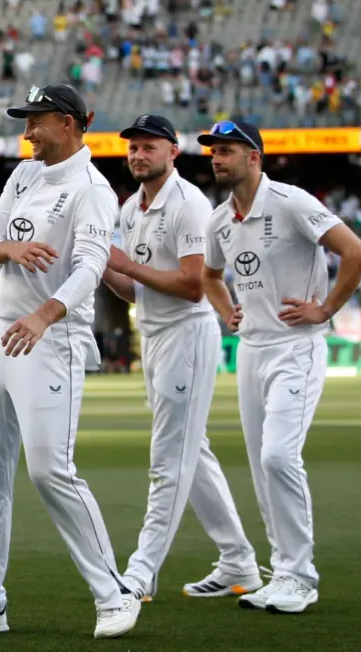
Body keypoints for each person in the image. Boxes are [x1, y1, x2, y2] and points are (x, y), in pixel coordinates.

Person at [0, 85, 140, 639]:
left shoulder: (93, 190)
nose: (26, 134)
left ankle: (114, 592)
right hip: (1, 331)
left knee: (50, 470)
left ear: (68, 123)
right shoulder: (24, 176)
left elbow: (91, 266)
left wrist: (45, 314)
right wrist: (7, 249)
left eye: (35, 122)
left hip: (54, 335)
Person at [199, 121, 361, 614]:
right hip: (251, 350)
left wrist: (326, 308)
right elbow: (209, 275)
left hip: (296, 348)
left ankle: (301, 577)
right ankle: (283, 572)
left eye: (226, 150)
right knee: (261, 466)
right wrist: (226, 310)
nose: (216, 159)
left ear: (254, 157)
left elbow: (357, 254)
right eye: (213, 151)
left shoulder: (292, 201)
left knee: (278, 456)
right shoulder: (219, 220)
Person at [100, 114, 262, 603]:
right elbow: (135, 290)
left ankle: (141, 572)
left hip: (187, 337)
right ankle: (238, 560)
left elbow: (194, 286)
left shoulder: (188, 203)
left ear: (173, 151)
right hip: (154, 337)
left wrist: (127, 264)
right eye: (133, 147)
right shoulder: (131, 208)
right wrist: (101, 263)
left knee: (169, 458)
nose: (138, 155)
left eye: (149, 147)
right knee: (193, 451)